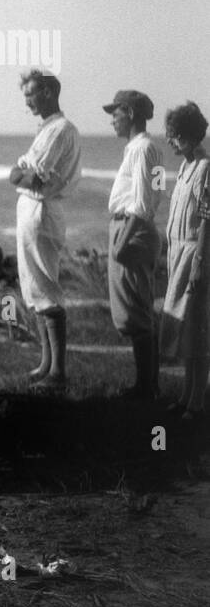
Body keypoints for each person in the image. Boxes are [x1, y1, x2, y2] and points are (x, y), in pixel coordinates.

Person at [9, 69, 82, 390]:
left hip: (42, 209)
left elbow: (32, 176)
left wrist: (20, 175)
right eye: (25, 95)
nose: (27, 101)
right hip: (33, 209)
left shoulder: (60, 129)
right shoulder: (48, 128)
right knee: (35, 289)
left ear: (50, 92)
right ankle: (46, 363)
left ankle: (58, 372)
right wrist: (20, 174)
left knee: (46, 286)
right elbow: (20, 171)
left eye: (32, 94)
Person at [103, 90, 163, 401]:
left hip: (132, 230)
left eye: (116, 112)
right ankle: (148, 385)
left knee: (137, 313)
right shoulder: (145, 148)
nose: (112, 118)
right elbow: (153, 196)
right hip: (135, 229)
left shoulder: (141, 150)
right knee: (138, 310)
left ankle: (146, 388)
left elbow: (140, 205)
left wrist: (121, 244)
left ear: (129, 112)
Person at [160, 102, 210, 422]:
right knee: (184, 331)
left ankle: (196, 402)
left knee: (197, 332)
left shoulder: (206, 167)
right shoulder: (184, 166)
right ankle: (184, 395)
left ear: (191, 137)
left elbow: (207, 219)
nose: (170, 142)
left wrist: (199, 263)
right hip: (176, 254)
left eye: (175, 136)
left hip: (194, 254)